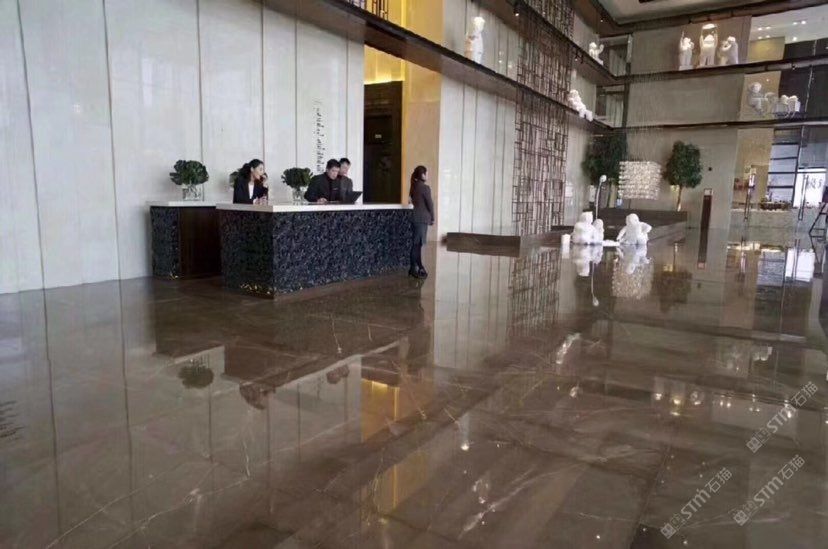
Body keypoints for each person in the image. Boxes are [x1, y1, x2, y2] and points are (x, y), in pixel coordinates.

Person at [408, 165, 433, 279]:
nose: (427, 175)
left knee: (417, 244)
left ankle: (419, 267)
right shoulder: (425, 188)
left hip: (415, 218)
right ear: (422, 175)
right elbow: (430, 204)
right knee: (416, 245)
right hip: (422, 220)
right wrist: (433, 217)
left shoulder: (414, 186)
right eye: (426, 173)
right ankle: (413, 269)